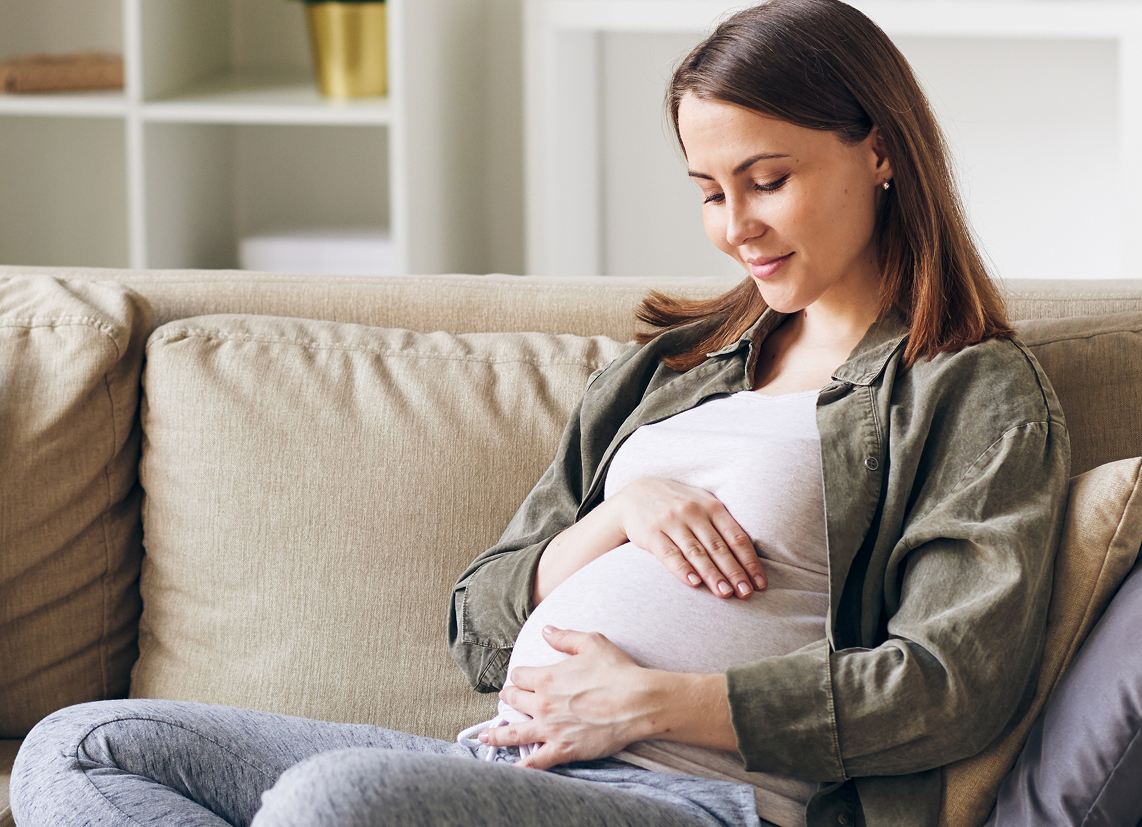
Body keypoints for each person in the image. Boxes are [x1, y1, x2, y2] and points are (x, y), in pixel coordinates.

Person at [10, 1, 1069, 826]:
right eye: (708, 190)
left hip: (694, 796)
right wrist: (621, 507)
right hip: (499, 764)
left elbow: (946, 683)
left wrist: (656, 702)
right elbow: (479, 619)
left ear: (878, 150)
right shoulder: (672, 368)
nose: (734, 225)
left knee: (333, 804)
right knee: (80, 746)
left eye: (766, 179)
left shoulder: (965, 388)